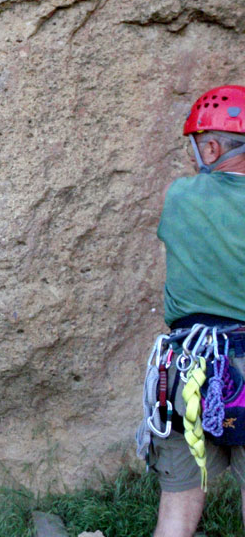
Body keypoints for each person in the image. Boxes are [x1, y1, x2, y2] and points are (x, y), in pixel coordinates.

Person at [149, 85, 245, 536]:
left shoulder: (180, 197)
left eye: (193, 146)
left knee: (179, 498)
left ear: (210, 147)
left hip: (185, 365)